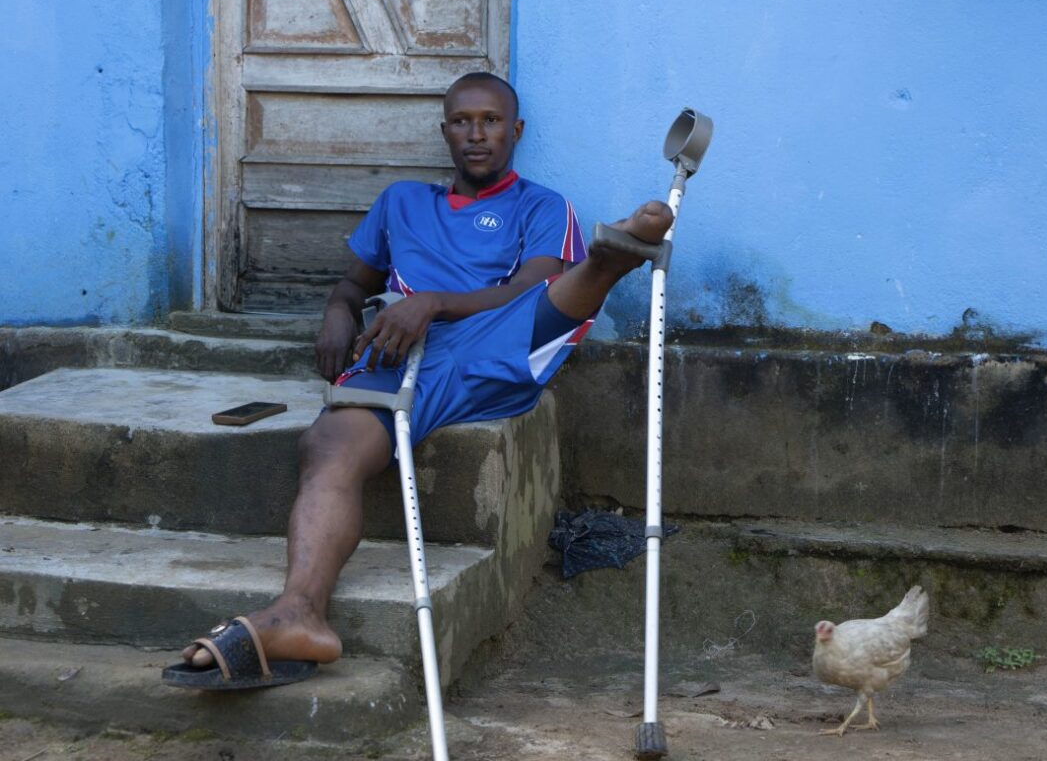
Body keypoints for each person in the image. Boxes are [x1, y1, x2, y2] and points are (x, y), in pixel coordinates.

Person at [163, 72, 674, 688]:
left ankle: (607, 261)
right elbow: (355, 284)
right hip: (401, 351)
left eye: (490, 121)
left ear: (516, 131)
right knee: (326, 444)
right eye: (462, 122)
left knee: (550, 302)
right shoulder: (402, 200)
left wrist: (432, 301)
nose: (476, 134)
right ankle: (299, 613)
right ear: (445, 131)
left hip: (495, 342)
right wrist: (335, 313)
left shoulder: (542, 205)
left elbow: (533, 289)